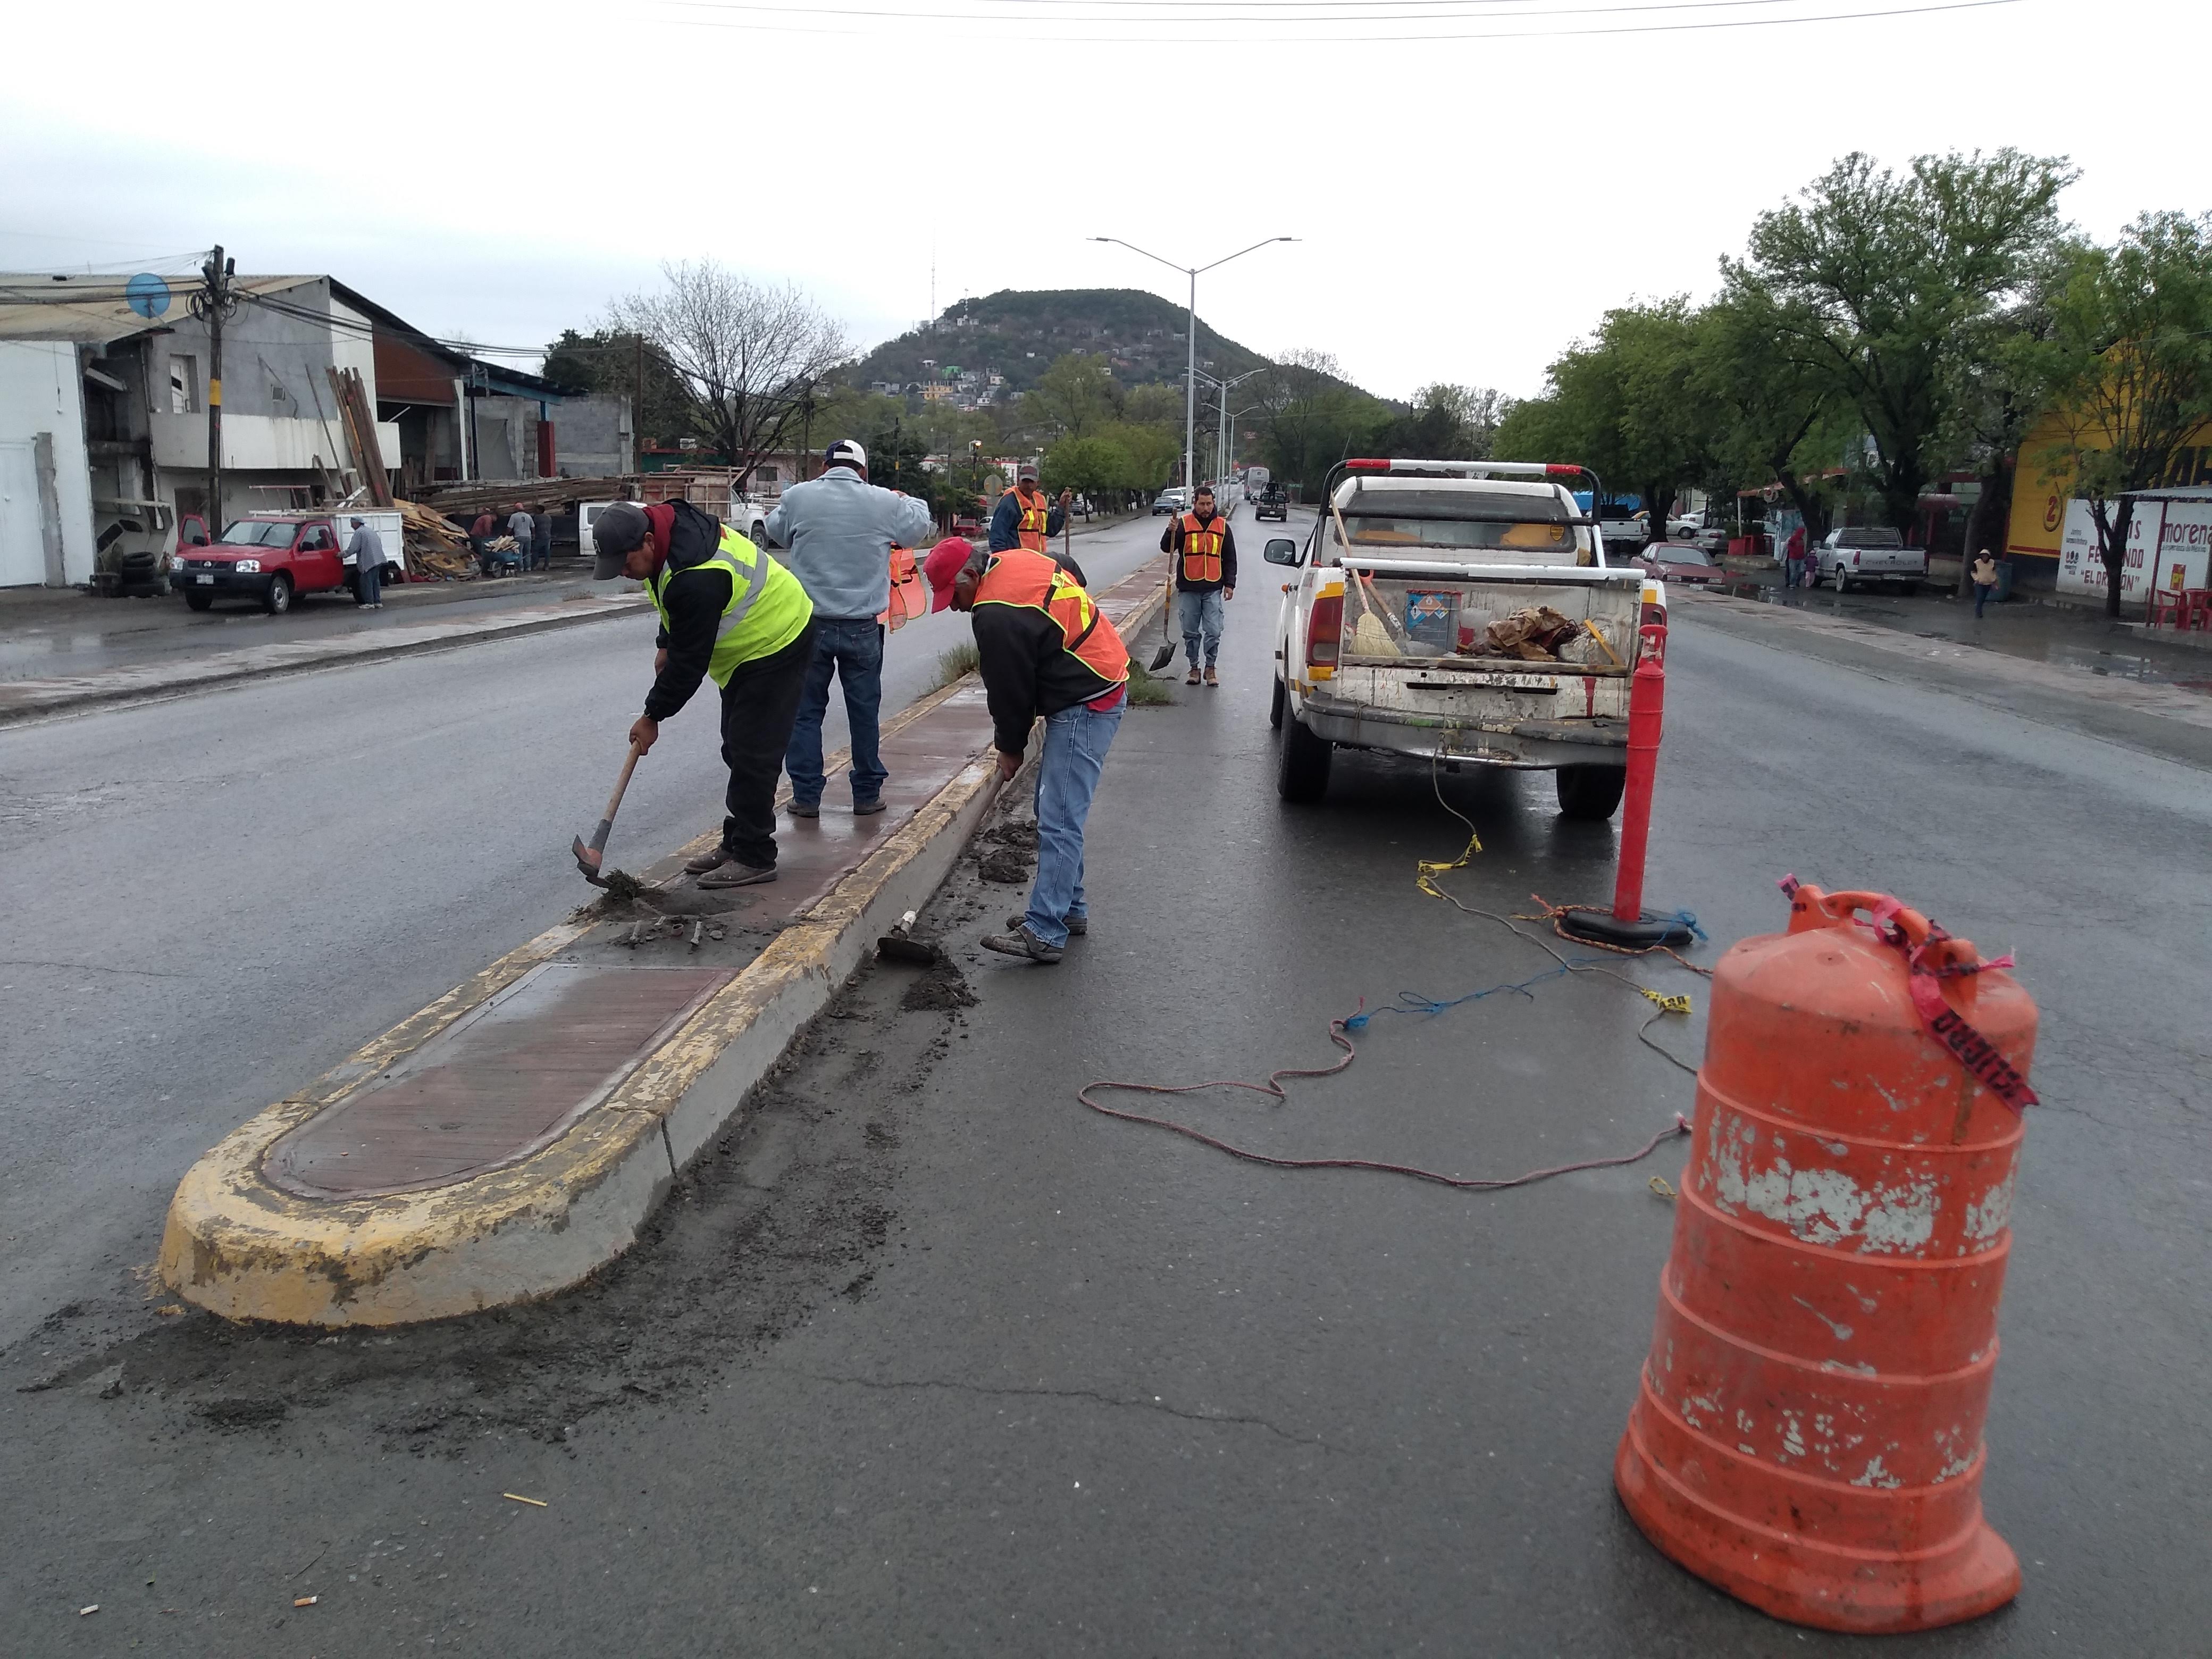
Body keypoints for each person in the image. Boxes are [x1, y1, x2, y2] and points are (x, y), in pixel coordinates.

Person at [923, 535, 1129, 964]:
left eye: (954, 596)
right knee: (1052, 808)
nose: (956, 607)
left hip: (1089, 698)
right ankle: (1069, 908)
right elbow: (1066, 566)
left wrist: (1010, 748)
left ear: (973, 576)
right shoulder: (1014, 560)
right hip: (1094, 676)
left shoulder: (996, 614)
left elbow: (1009, 693)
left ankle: (1045, 931)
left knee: (1059, 816)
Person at [591, 498, 816, 889]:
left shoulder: (697, 576)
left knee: (752, 752)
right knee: (736, 745)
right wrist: (666, 640)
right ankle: (738, 840)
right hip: (747, 651)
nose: (625, 574)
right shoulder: (665, 531)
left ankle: (755, 855)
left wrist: (652, 716)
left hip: (777, 638)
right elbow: (666, 596)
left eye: (626, 564)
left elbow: (688, 667)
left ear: (647, 540)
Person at [762, 439, 936, 818]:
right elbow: (917, 528)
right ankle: (866, 795)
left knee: (805, 713)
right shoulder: (883, 502)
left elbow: (777, 532)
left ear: (824, 467)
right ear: (863, 471)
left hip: (809, 626)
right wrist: (908, 499)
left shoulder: (798, 496)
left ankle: (806, 797)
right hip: (862, 626)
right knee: (863, 711)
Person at [1160, 483, 1237, 686]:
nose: (1206, 508)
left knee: (1213, 631)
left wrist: (1230, 584)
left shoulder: (1222, 526)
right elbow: (1166, 548)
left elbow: (1230, 558)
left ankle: (1210, 668)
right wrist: (1171, 531)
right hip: (1189, 588)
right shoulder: (1183, 524)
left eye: (1209, 504)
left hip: (1213, 588)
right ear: (1194, 503)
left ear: (1213, 504)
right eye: (1202, 504)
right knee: (1190, 632)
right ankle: (1194, 667)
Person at [989, 460, 1072, 554]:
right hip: (1018, 562)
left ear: (1038, 483)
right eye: (1025, 481)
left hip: (1037, 560)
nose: (1028, 485)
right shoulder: (1008, 503)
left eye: (1031, 482)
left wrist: (1061, 506)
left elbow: (1051, 530)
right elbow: (997, 539)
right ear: (1018, 480)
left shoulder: (1040, 500)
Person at [346, 516, 385, 609]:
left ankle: (369, 603)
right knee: (375, 582)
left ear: (356, 523)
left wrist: (343, 554)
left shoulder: (359, 533)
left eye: (352, 523)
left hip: (369, 561)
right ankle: (377, 602)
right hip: (378, 559)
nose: (351, 526)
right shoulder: (370, 531)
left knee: (366, 582)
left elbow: (354, 548)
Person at [1971, 548, 2000, 618]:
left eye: (1986, 556)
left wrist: (1995, 582)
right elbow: (1973, 572)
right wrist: (1977, 579)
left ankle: (1979, 610)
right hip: (1979, 583)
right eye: (1983, 556)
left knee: (1983, 598)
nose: (1985, 558)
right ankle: (1978, 612)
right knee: (1980, 597)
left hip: (1988, 583)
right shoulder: (1977, 563)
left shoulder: (1992, 563)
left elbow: (1994, 573)